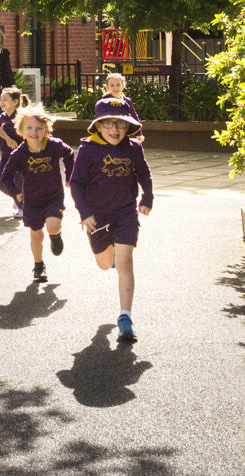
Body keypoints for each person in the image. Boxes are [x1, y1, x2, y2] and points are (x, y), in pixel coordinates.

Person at [69, 97, 154, 342]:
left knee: (125, 262)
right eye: (108, 123)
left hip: (126, 214)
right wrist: (84, 212)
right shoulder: (88, 149)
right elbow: (76, 183)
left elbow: (144, 174)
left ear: (128, 127)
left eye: (121, 124)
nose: (114, 130)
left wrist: (148, 196)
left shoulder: (133, 148)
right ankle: (111, 253)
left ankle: (125, 316)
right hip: (98, 218)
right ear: (98, 125)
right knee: (105, 264)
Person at [0, 103, 76, 282]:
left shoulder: (54, 146)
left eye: (39, 128)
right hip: (32, 201)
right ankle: (38, 265)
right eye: (30, 128)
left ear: (46, 130)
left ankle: (55, 236)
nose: (34, 132)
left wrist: (69, 176)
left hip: (54, 197)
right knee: (36, 234)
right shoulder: (19, 154)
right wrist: (15, 193)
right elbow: (6, 176)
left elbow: (69, 154)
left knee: (53, 226)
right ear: (22, 131)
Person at [0, 87, 28, 211]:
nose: (2, 102)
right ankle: (18, 197)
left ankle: (23, 207)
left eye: (5, 99)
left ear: (15, 102)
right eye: (1, 99)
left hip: (19, 157)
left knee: (17, 183)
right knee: (1, 183)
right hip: (5, 156)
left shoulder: (21, 118)